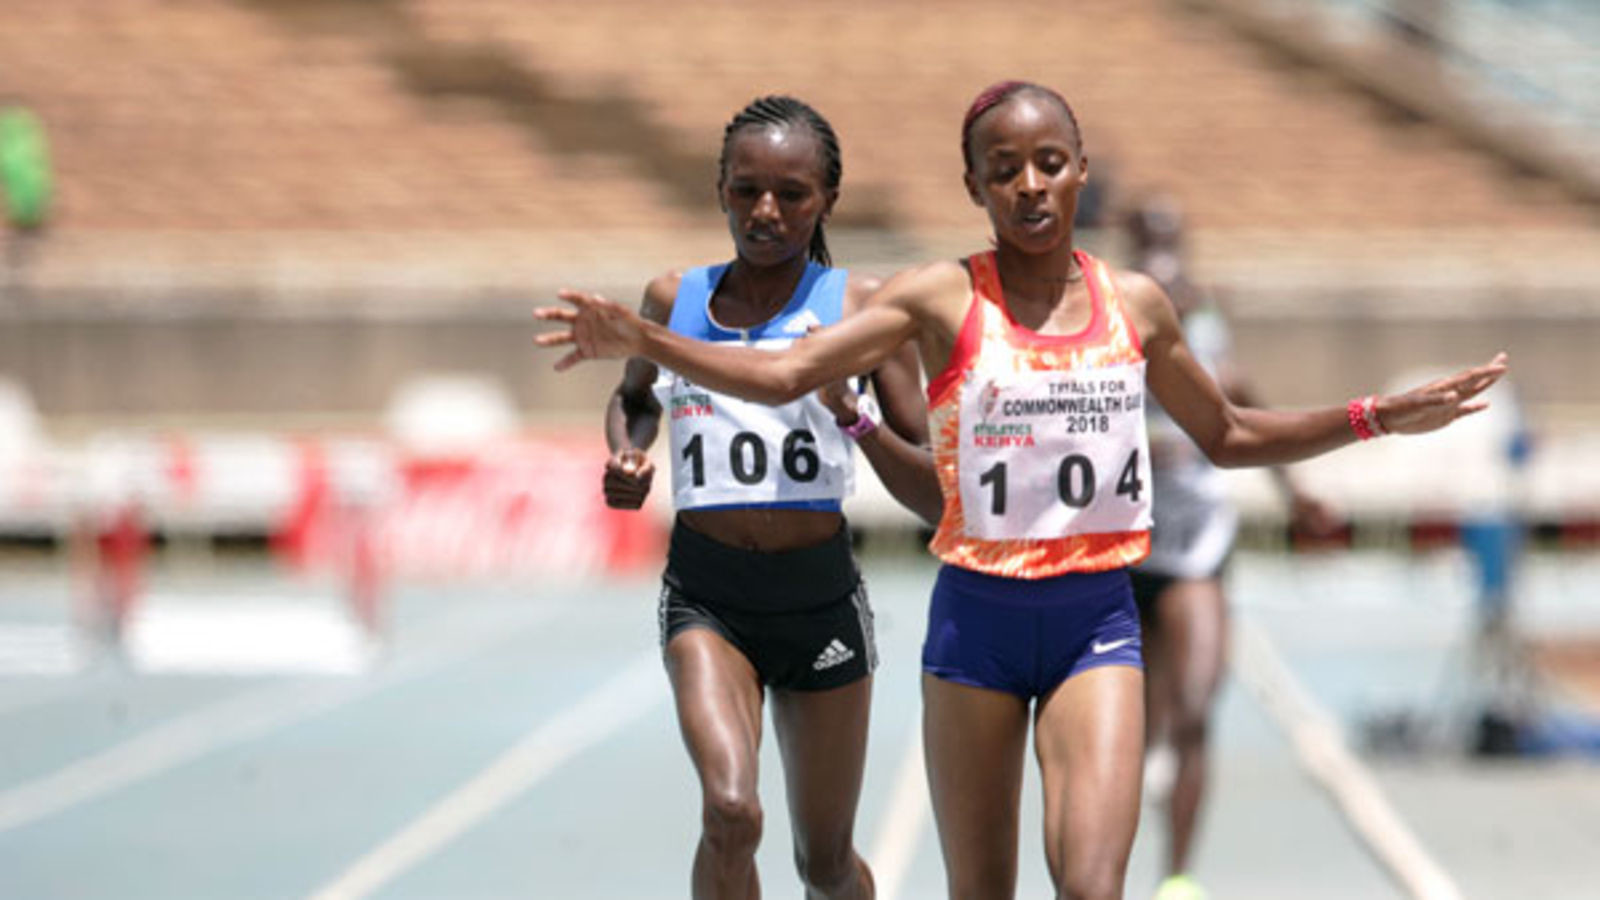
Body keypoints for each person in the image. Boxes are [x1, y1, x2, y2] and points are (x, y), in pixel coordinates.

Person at [537, 80, 1507, 899]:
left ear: (1080, 170)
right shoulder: (937, 296)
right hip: (976, 624)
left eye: (1048, 163)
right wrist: (647, 341)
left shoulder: (1135, 304)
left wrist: (1376, 416)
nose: (1028, 184)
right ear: (974, 186)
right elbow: (787, 372)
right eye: (1003, 169)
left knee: (1090, 888)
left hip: (1095, 618)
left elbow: (1226, 434)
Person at [593, 95, 927, 899]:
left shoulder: (864, 308)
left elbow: (928, 471)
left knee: (826, 864)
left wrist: (855, 418)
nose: (765, 211)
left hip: (818, 599)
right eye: (746, 191)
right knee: (731, 812)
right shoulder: (673, 299)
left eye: (791, 194)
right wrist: (628, 452)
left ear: (828, 201)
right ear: (721, 190)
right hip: (710, 598)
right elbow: (633, 398)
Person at [1121, 193, 1338, 900]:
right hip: (1121, 551)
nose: (1164, 255)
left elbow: (1242, 414)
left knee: (1194, 706)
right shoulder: (1104, 319)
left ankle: (1178, 878)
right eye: (1151, 240)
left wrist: (1295, 494)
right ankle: (1104, 865)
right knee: (1127, 726)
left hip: (1195, 550)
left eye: (1172, 239)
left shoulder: (1204, 329)